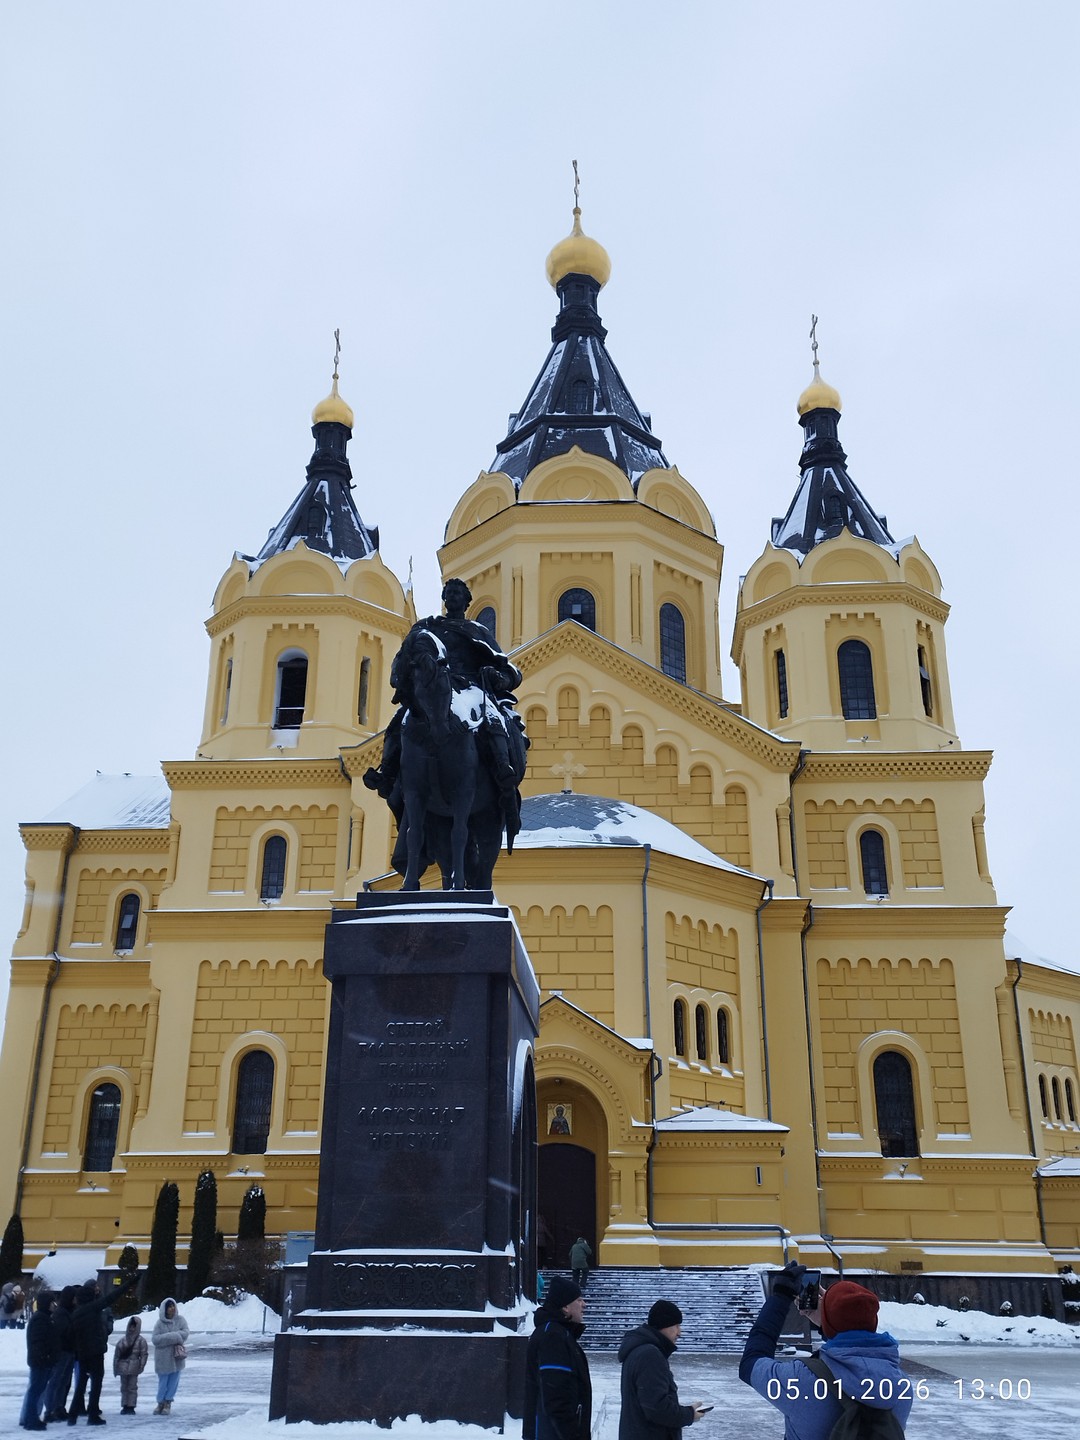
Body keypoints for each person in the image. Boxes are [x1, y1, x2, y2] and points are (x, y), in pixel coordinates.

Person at [740, 1263, 913, 1438]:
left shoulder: (799, 1379)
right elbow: (853, 1353)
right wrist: (831, 1323)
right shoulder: (902, 1387)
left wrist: (780, 1296)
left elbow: (751, 1363)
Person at [618, 1300, 706, 1440]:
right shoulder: (649, 1355)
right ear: (664, 1325)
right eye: (676, 1326)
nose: (679, 1333)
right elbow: (657, 1408)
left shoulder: (641, 1350)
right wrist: (689, 1414)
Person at [523, 1275, 591, 1440]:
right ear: (565, 1307)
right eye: (579, 1300)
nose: (584, 1304)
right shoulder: (553, 1337)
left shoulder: (559, 1333)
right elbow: (556, 1399)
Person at [68, 1272, 139, 1426]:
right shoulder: (93, 1308)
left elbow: (71, 1336)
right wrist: (130, 1283)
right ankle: (93, 1415)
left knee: (81, 1384)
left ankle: (72, 1415)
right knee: (96, 1383)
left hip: (82, 1353)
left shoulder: (76, 1313)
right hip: (95, 1352)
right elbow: (112, 1297)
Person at [20, 1289, 57, 1431]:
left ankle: (31, 1418)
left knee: (37, 1390)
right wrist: (44, 1357)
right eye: (52, 1302)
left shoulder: (44, 1318)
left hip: (43, 1361)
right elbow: (38, 1342)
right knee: (35, 1391)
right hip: (40, 1362)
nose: (54, 1305)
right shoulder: (40, 1319)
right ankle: (30, 1420)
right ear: (47, 1303)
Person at [44, 1285, 78, 1421]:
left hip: (70, 1350)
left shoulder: (70, 1311)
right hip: (62, 1351)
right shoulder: (61, 1313)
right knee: (56, 1381)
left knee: (64, 1381)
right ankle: (50, 1410)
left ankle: (59, 1407)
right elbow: (62, 1332)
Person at [151, 1298, 189, 1416]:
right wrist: (174, 1336)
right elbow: (155, 1339)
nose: (172, 1308)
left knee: (173, 1381)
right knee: (163, 1382)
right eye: (169, 1306)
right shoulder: (159, 1323)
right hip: (163, 1358)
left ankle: (168, 1402)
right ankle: (160, 1402)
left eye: (173, 1306)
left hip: (177, 1357)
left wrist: (172, 1337)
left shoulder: (180, 1320)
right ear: (164, 1309)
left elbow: (185, 1333)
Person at [112, 1315, 148, 1415]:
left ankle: (131, 1405)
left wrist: (141, 1365)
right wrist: (115, 1368)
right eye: (131, 1326)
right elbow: (117, 1356)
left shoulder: (141, 1341)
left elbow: (144, 1354)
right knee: (124, 1387)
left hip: (133, 1367)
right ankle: (125, 1404)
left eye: (134, 1326)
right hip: (123, 1367)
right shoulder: (123, 1340)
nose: (132, 1328)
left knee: (132, 1387)